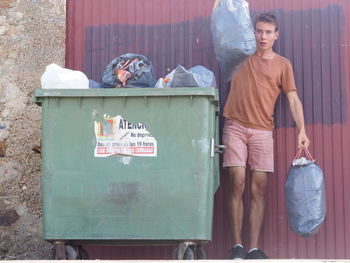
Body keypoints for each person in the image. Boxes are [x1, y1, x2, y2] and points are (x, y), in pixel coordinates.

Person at [222, 13, 310, 259]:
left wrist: (302, 129)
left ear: (276, 35)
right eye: (259, 31)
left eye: (268, 32)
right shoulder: (239, 55)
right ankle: (237, 246)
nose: (263, 36)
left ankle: (254, 248)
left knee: (259, 189)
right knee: (237, 180)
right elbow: (222, 29)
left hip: (263, 130)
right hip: (235, 126)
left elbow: (292, 98)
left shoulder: (283, 64)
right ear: (253, 32)